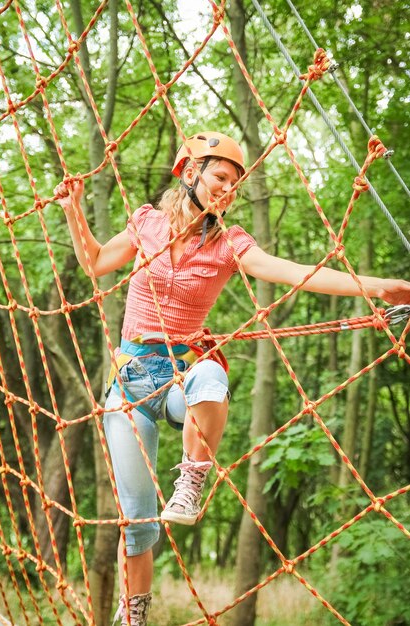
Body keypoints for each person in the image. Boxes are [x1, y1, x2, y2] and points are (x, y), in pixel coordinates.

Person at [55, 131, 410, 626]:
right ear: (190, 173)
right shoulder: (147, 224)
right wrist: (73, 209)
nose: (228, 188)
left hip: (182, 375)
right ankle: (133, 615)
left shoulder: (229, 244)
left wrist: (381, 287)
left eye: (235, 184)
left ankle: (192, 480)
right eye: (221, 177)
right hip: (130, 381)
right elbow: (94, 263)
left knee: (210, 378)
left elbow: (296, 272)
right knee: (136, 523)